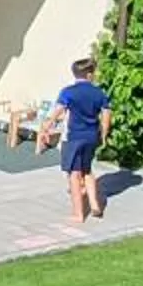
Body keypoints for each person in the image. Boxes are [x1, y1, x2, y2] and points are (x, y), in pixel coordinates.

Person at [40, 56, 112, 221]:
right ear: (89, 75)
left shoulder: (68, 92)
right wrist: (104, 135)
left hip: (73, 137)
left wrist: (47, 126)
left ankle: (78, 214)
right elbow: (106, 116)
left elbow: (58, 111)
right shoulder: (99, 93)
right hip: (91, 136)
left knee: (74, 173)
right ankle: (95, 205)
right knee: (87, 170)